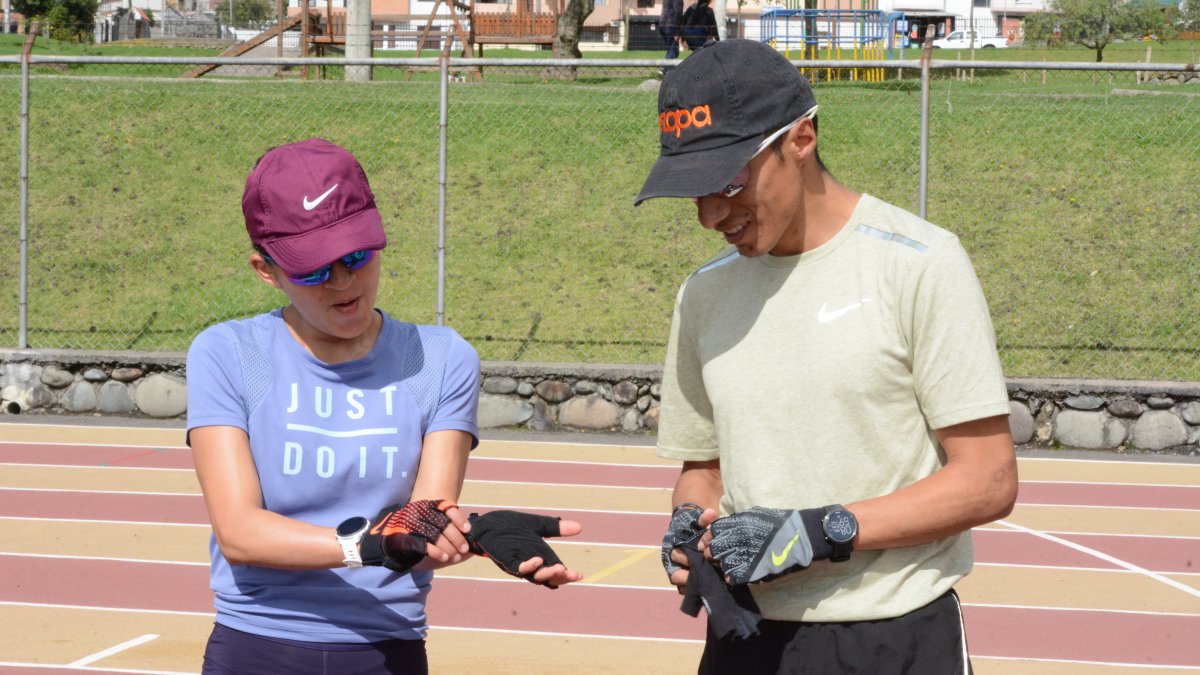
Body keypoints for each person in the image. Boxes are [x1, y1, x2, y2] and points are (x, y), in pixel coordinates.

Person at [636, 40, 1018, 673]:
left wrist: (821, 531)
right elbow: (704, 469)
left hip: (891, 638)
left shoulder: (919, 264)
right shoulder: (703, 294)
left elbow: (989, 479)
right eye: (691, 191)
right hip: (744, 637)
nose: (709, 215)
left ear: (802, 139)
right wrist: (687, 522)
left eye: (726, 182)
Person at [186, 138, 583, 674]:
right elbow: (238, 533)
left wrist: (472, 532)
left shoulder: (441, 359)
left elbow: (418, 529)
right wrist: (370, 545)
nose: (343, 282)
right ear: (265, 269)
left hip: (386, 650)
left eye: (356, 255)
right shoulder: (228, 353)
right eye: (312, 270)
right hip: (256, 646)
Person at [660, 0, 683, 70]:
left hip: (662, 24)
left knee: (671, 49)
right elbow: (677, 13)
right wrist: (678, 31)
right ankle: (668, 71)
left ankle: (664, 69)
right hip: (672, 26)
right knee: (673, 50)